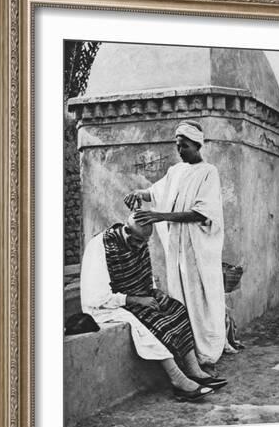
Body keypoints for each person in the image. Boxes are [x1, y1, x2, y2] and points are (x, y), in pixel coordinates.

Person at [80, 213, 227, 402]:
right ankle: (179, 382)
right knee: (154, 322)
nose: (142, 246)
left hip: (138, 295)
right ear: (126, 231)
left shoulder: (139, 239)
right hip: (110, 304)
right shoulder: (100, 246)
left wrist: (152, 293)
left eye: (144, 242)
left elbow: (145, 275)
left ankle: (193, 370)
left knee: (176, 310)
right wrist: (135, 300)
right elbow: (96, 296)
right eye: (139, 241)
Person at [124, 120, 226, 369]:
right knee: (180, 295)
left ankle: (208, 349)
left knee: (201, 295)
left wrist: (160, 216)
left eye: (185, 146)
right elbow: (157, 192)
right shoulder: (176, 171)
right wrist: (139, 193)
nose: (180, 151)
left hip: (197, 247)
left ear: (197, 145)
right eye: (178, 146)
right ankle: (189, 348)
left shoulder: (208, 172)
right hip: (177, 248)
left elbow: (202, 213)